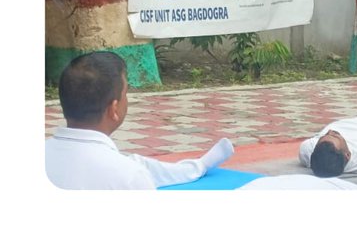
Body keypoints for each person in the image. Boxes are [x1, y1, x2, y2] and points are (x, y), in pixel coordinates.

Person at [46, 51, 234, 189]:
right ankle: (197, 167)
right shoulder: (129, 177)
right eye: (125, 94)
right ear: (113, 109)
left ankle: (196, 167)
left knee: (138, 162)